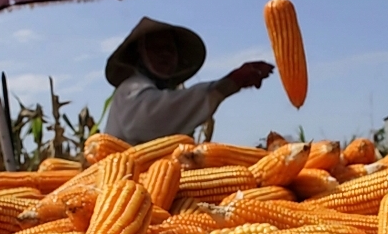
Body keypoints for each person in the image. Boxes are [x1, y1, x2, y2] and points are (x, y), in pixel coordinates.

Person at [103, 17, 275, 145]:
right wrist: (230, 83)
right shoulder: (131, 88)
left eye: (170, 49)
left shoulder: (155, 90)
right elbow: (155, 118)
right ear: (139, 55)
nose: (165, 54)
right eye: (156, 48)